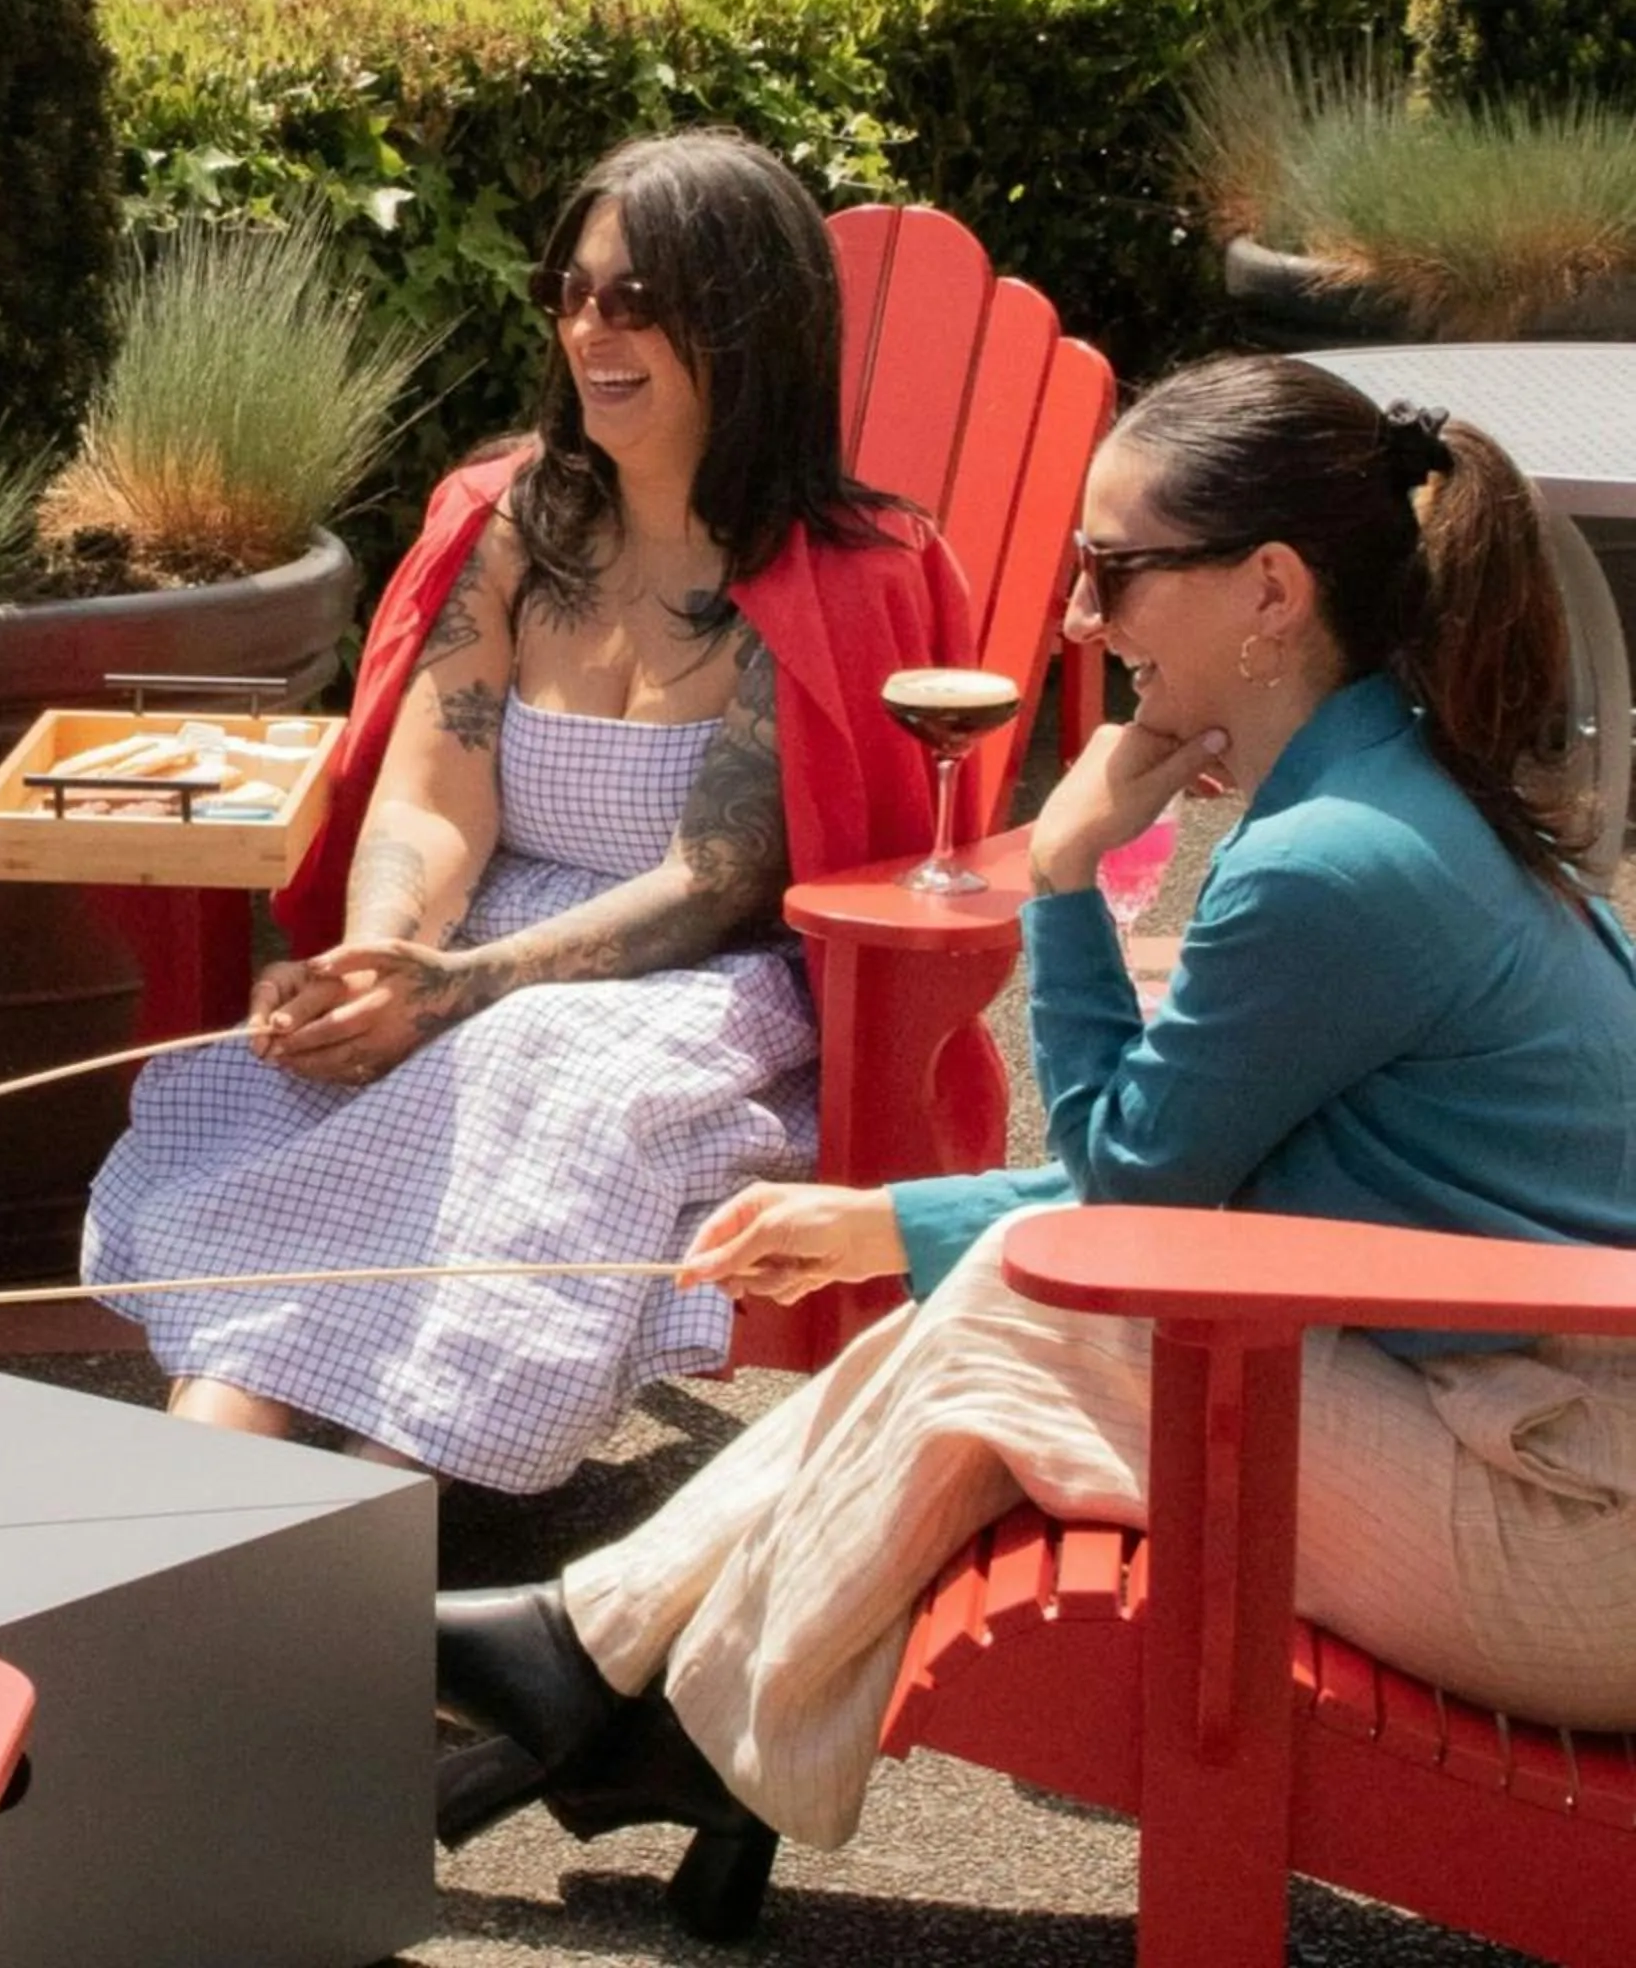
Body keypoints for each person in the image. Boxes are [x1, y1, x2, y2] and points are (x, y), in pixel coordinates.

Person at [428, 354, 1636, 1942]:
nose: (1080, 619)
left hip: (1575, 1526)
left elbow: (1132, 1206)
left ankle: (630, 1686)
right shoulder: (1389, 787)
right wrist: (884, 1224)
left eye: (1117, 570)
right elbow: (1233, 1183)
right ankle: (628, 1690)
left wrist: (1063, 877)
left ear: (1270, 588)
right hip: (1526, 1432)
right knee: (1017, 1300)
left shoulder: (1337, 866)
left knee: (1027, 1310)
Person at [81, 130, 974, 1490]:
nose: (590, 330)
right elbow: (435, 793)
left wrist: (459, 988)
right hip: (474, 936)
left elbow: (715, 877)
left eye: (637, 300)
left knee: (535, 1060)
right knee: (307, 1081)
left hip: (696, 979)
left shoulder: (832, 574)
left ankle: (376, 1497)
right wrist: (381, 956)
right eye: (571, 290)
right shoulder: (508, 524)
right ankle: (195, 1505)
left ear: (745, 317)